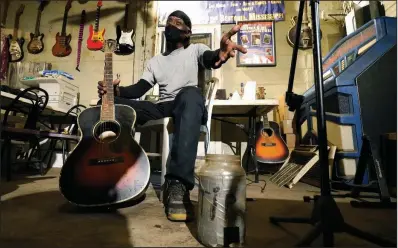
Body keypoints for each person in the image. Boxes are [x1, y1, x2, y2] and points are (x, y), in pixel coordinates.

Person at [97, 10, 246, 222]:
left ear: (187, 32)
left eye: (177, 22)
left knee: (191, 94)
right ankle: (110, 168)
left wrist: (220, 54)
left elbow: (211, 58)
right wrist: (114, 92)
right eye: (168, 22)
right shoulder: (155, 61)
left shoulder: (196, 49)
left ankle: (177, 185)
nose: (171, 25)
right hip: (162, 106)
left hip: (187, 103)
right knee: (110, 103)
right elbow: (139, 90)